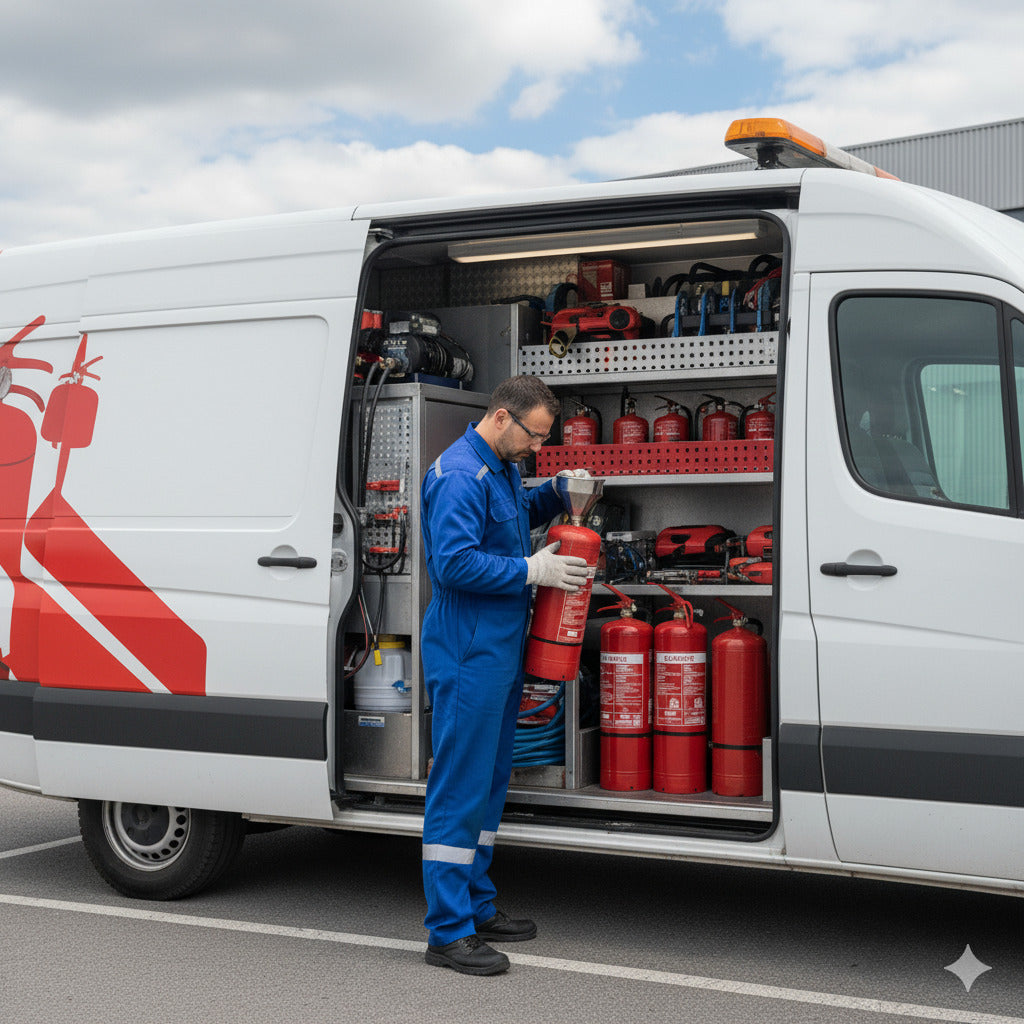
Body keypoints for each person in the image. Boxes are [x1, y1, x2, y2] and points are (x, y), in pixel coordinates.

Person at [419, 374, 590, 976]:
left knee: (491, 785)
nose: (536, 450)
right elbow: (455, 563)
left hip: (498, 650)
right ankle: (447, 930)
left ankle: (476, 905)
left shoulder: (501, 467)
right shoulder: (459, 476)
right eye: (534, 437)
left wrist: (559, 493)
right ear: (500, 417)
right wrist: (531, 570)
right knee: (460, 787)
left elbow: (514, 514)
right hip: (468, 650)